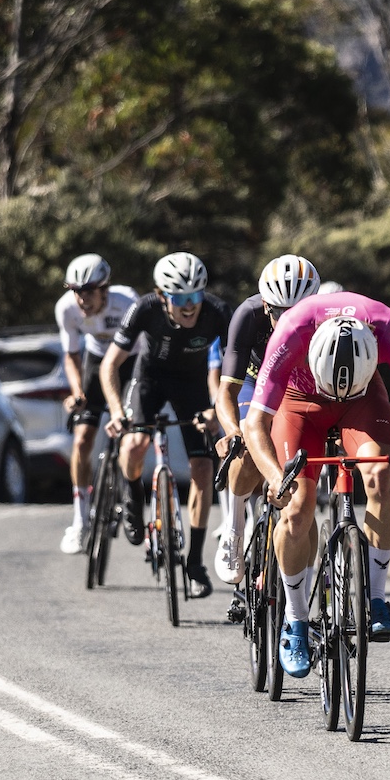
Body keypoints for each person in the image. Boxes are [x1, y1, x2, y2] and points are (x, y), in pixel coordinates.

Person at [243, 292, 390, 678]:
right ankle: (294, 623)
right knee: (296, 506)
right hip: (300, 401)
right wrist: (278, 479)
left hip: (362, 400)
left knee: (380, 475)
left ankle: (376, 599)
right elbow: (254, 425)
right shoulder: (291, 330)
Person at [100, 252, 232, 599]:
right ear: (162, 296)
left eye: (195, 297)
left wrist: (218, 411)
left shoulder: (218, 313)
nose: (189, 307)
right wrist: (116, 410)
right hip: (150, 379)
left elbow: (232, 373)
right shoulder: (144, 308)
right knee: (134, 445)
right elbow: (110, 365)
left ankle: (195, 563)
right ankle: (132, 495)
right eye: (180, 299)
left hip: (193, 385)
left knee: (203, 469)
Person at [213, 255, 322, 590]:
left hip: (299, 388)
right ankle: (233, 529)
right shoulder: (246, 316)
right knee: (246, 446)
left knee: (303, 494)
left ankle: (299, 593)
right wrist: (232, 431)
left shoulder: (326, 318)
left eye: (296, 313)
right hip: (253, 382)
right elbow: (226, 390)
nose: (286, 322)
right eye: (278, 313)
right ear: (264, 305)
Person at [56, 254, 139, 555]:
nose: (81, 298)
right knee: (81, 441)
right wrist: (78, 392)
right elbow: (71, 356)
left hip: (129, 363)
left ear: (105, 288)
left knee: (131, 437)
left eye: (88, 291)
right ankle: (80, 521)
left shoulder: (127, 300)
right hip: (94, 361)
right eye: (76, 291)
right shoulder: (66, 308)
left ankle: (129, 493)